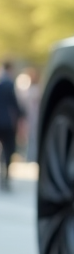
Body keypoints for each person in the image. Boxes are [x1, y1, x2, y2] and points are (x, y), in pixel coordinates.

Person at [0, 61, 23, 191]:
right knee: (8, 149)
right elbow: (15, 104)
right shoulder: (9, 84)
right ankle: (6, 176)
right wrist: (21, 115)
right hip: (8, 122)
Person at [17, 67, 41, 163]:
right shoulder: (32, 90)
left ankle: (32, 156)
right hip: (30, 116)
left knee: (33, 137)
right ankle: (31, 156)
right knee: (30, 137)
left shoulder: (34, 90)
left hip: (33, 115)